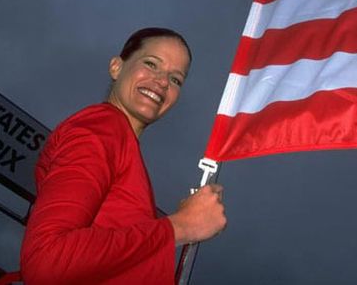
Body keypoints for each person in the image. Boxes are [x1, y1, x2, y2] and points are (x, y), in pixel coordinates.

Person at [20, 27, 227, 284]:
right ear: (116, 67)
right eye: (151, 64)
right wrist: (180, 226)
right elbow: (46, 261)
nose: (163, 81)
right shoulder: (102, 129)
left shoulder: (121, 143)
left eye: (176, 79)